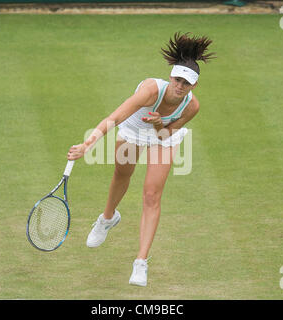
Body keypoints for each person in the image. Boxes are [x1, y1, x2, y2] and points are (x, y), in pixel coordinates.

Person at [67, 32, 214, 287]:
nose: (180, 86)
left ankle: (141, 262)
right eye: (178, 80)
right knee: (121, 175)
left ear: (194, 86)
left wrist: (159, 123)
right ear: (171, 77)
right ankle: (108, 218)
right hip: (133, 130)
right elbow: (115, 117)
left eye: (186, 83)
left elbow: (165, 134)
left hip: (163, 136)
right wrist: (87, 144)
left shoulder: (192, 107)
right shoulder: (149, 91)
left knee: (151, 195)